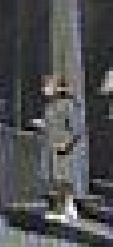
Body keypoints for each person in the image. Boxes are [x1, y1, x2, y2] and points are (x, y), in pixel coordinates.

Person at [31, 75, 83, 222]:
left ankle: (65, 209)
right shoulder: (51, 105)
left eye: (48, 86)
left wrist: (67, 144)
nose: (45, 89)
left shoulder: (68, 104)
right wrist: (41, 124)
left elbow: (77, 129)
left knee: (64, 179)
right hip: (51, 146)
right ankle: (66, 208)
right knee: (56, 179)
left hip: (63, 148)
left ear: (58, 88)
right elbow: (52, 124)